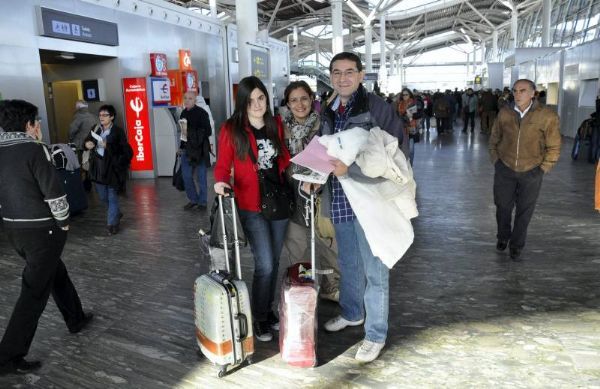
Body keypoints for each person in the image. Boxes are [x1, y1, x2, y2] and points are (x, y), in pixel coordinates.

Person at [315, 52, 403, 363]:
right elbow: (324, 149)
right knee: (349, 263)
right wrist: (313, 175)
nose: (342, 78)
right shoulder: (328, 106)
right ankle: (353, 313)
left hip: (369, 201)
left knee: (375, 271)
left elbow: (395, 153)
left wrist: (350, 171)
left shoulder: (377, 107)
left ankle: (376, 334)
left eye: (349, 72)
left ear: (361, 75)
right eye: (336, 72)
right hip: (340, 199)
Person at [0, 100, 92, 376]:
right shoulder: (35, 149)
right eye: (36, 121)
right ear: (29, 124)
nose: (39, 126)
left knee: (54, 273)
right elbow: (54, 193)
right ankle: (8, 356)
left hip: (14, 231)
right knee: (33, 293)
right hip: (43, 231)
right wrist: (64, 222)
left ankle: (75, 318)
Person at [213, 76, 291, 343]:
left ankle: (267, 312)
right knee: (265, 264)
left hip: (278, 200)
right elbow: (223, 164)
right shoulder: (231, 129)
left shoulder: (275, 123)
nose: (257, 104)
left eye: (261, 98)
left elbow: (282, 157)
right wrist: (221, 182)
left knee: (276, 261)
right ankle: (259, 316)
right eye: (251, 100)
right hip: (250, 204)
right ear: (243, 102)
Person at [277, 80, 340, 308]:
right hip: (292, 196)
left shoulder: (324, 125)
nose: (299, 104)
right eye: (293, 100)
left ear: (311, 99)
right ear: (287, 103)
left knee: (328, 243)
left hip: (322, 194)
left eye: (304, 98)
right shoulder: (280, 129)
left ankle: (333, 287)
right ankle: (304, 287)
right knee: (297, 246)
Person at [489, 79, 561, 261]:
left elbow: (554, 146)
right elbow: (494, 138)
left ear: (532, 94)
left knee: (524, 210)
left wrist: (543, 168)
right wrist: (496, 160)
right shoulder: (505, 113)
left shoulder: (546, 116)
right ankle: (503, 236)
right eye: (515, 91)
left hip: (532, 170)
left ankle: (516, 245)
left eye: (522, 91)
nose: (517, 94)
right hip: (505, 168)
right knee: (503, 207)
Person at [85, 105, 132, 235]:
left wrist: (108, 145)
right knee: (102, 196)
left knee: (112, 197)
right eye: (100, 115)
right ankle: (116, 212)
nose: (102, 118)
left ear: (111, 117)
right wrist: (87, 144)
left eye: (105, 115)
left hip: (113, 168)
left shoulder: (118, 131)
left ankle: (112, 224)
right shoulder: (95, 129)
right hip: (98, 167)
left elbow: (124, 150)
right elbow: (87, 140)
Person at [179, 91, 212, 210]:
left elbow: (208, 131)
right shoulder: (183, 113)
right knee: (186, 176)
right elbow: (183, 133)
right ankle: (193, 199)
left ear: (195, 100)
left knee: (201, 177)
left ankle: (202, 202)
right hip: (187, 150)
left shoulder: (202, 113)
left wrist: (191, 132)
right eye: (185, 98)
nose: (187, 100)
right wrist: (181, 147)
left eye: (190, 98)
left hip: (200, 150)